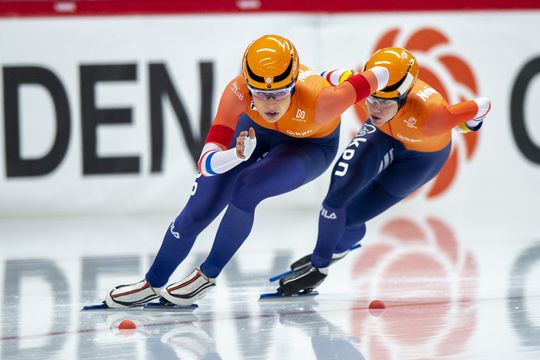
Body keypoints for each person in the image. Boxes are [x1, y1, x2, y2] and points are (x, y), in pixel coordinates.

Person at [104, 34, 390, 308]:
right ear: (248, 86)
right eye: (261, 94)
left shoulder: (322, 102)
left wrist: (358, 76)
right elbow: (206, 162)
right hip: (253, 134)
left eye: (279, 93)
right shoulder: (237, 91)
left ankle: (207, 275)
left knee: (247, 188)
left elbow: (383, 74)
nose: (270, 103)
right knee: (199, 208)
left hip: (309, 146)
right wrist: (234, 155)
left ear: (293, 85)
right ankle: (152, 282)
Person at [278, 47, 491, 294]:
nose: (374, 109)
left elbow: (483, 105)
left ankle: (328, 258)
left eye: (383, 103)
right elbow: (325, 77)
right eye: (371, 99)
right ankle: (322, 260)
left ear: (403, 98)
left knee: (353, 218)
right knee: (337, 195)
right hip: (383, 135)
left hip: (421, 160)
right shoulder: (364, 85)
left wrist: (469, 125)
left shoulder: (435, 116)